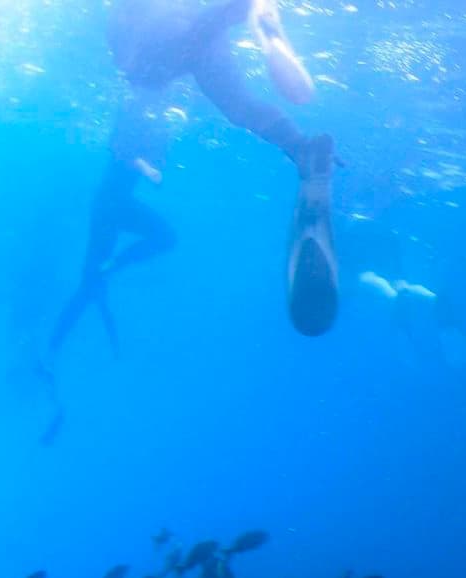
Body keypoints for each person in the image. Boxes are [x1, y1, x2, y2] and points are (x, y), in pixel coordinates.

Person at [51, 0, 335, 355]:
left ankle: (98, 279)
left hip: (116, 199)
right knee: (238, 106)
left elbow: (127, 125)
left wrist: (148, 166)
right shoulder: (144, 110)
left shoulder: (144, 87)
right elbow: (122, 151)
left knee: (115, 264)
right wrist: (148, 166)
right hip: (111, 203)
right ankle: (298, 145)